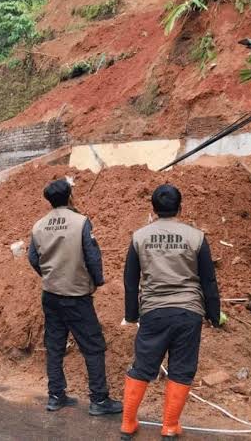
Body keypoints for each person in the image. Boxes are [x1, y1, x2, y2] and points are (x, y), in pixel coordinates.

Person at [120, 184, 221, 440]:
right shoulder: (196, 237)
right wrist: (214, 314)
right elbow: (208, 280)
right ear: (180, 207)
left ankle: (128, 423)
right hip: (188, 312)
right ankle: (169, 426)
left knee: (143, 367)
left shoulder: (139, 237)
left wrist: (132, 315)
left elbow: (130, 281)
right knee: (181, 368)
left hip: (154, 312)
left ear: (153, 209)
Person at [28, 179, 123, 416]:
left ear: (49, 200)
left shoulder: (39, 226)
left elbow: (32, 258)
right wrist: (97, 280)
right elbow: (92, 256)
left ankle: (55, 396)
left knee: (54, 346)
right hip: (77, 295)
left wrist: (48, 274)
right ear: (70, 196)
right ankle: (99, 400)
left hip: (50, 295)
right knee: (93, 347)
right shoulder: (81, 222)